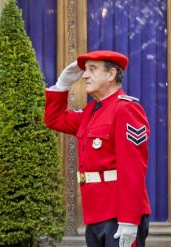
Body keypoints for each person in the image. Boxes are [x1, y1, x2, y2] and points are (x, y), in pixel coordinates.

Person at [44, 50, 150, 247]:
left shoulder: (126, 109)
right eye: (85, 70)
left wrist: (129, 219)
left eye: (92, 69)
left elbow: (133, 169)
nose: (84, 75)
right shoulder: (91, 111)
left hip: (119, 214)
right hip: (95, 214)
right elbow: (54, 120)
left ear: (111, 75)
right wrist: (62, 85)